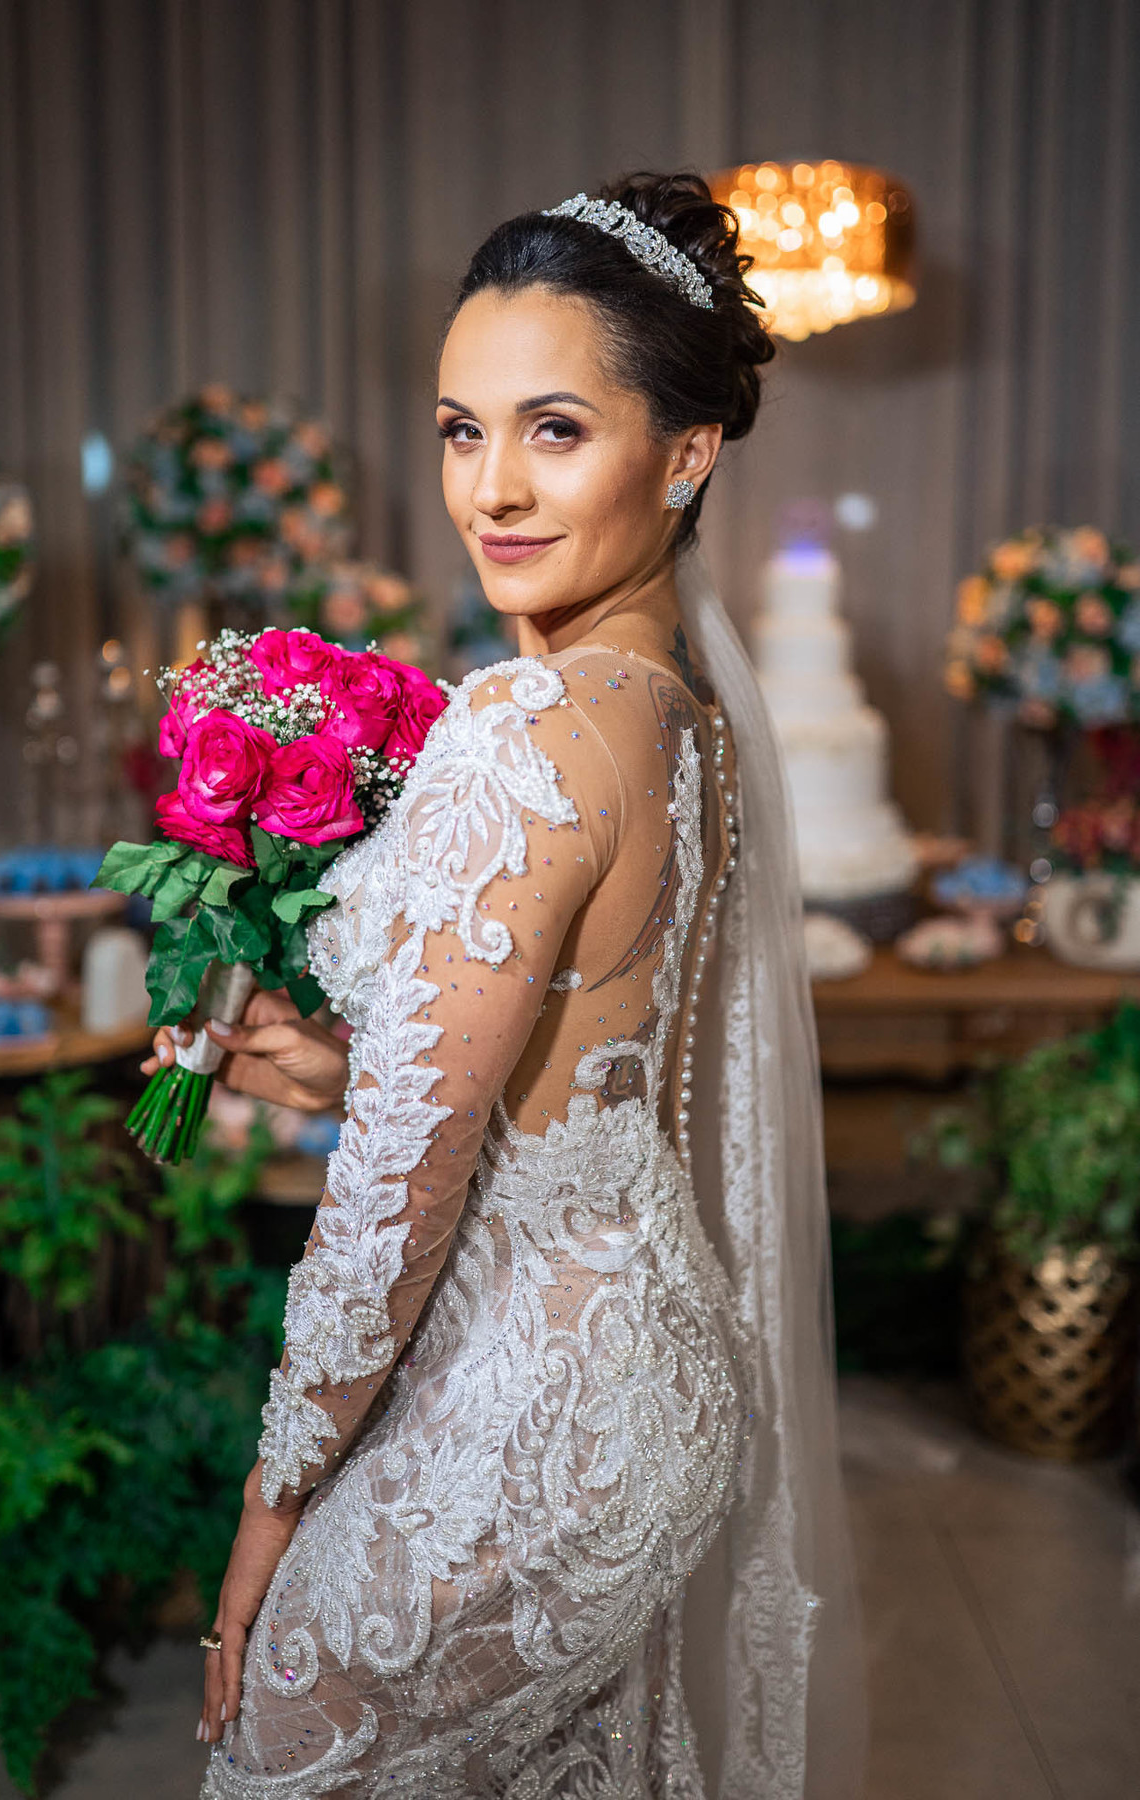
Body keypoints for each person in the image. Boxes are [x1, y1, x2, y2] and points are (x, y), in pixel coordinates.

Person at [146, 171, 865, 1799]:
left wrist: (273, 1515)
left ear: (685, 455)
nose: (492, 488)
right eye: (463, 430)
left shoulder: (532, 726)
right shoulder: (676, 712)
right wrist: (349, 1068)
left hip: (545, 1420)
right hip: (642, 1385)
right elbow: (574, 1066)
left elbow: (404, 1191)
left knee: (276, 1758)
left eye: (554, 429)